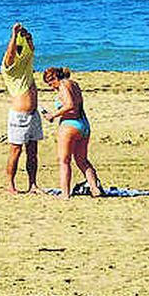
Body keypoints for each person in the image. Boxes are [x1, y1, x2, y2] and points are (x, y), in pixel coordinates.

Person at [42, 66, 102, 198]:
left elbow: (70, 105)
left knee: (64, 161)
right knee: (82, 160)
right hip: (84, 125)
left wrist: (53, 115)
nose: (52, 87)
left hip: (70, 125)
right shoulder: (74, 84)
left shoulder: (63, 85)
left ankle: (65, 193)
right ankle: (94, 188)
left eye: (51, 83)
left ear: (55, 78)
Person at [1, 22, 41, 193]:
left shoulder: (25, 61)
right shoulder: (8, 68)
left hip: (33, 114)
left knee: (33, 151)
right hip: (19, 115)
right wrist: (13, 35)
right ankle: (10, 184)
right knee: (16, 150)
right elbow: (9, 56)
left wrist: (26, 35)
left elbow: (31, 47)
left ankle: (33, 184)